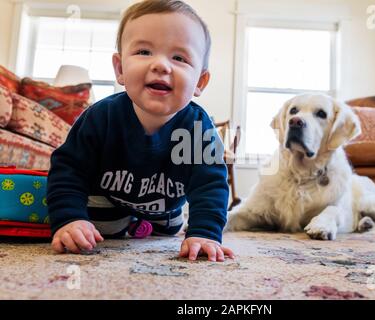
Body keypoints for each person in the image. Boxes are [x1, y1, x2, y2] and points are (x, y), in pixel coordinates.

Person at [47, 0, 235, 262]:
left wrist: (205, 233)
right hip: (110, 199)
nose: (161, 65)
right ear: (120, 68)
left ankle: (148, 222)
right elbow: (68, 169)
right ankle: (125, 222)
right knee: (105, 226)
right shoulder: (101, 117)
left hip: (165, 207)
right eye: (144, 51)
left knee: (170, 228)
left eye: (179, 58)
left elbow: (210, 185)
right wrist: (70, 219)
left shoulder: (198, 129)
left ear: (200, 82)